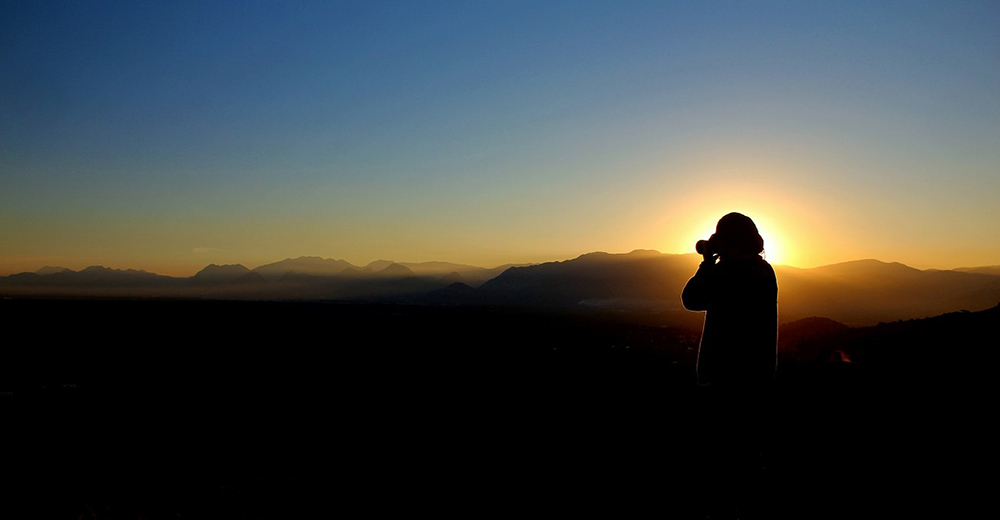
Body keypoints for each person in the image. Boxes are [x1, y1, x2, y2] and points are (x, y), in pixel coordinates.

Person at [682, 212, 777, 389]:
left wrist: (707, 264)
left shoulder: (729, 272)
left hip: (723, 377)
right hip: (758, 375)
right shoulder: (764, 270)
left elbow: (691, 299)